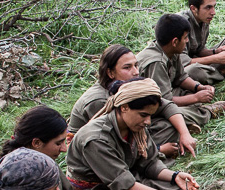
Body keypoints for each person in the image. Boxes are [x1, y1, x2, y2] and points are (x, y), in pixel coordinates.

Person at [66, 79, 200, 190]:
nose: (148, 121)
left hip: (128, 178)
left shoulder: (135, 127)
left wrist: (174, 176)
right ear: (124, 107)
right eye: (143, 115)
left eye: (150, 115)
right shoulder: (95, 139)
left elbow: (149, 162)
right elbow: (125, 185)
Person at [68, 45, 197, 158]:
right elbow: (109, 140)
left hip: (128, 129)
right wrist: (158, 150)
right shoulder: (99, 101)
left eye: (136, 65)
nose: (136, 72)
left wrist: (184, 133)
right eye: (127, 68)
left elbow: (166, 105)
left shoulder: (132, 87)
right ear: (110, 73)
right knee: (168, 126)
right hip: (96, 147)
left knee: (172, 122)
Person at [137, 14, 225, 148]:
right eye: (185, 37)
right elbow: (164, 102)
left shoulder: (170, 51)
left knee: (186, 95)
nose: (187, 41)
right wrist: (195, 98)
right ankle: (207, 112)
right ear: (175, 41)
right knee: (169, 122)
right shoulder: (156, 62)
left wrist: (198, 87)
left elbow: (180, 77)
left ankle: (190, 118)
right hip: (151, 106)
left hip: (166, 95)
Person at [178, 0, 225, 85]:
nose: (213, 12)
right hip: (184, 68)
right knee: (192, 71)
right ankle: (220, 73)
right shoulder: (180, 24)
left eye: (214, 6)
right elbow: (183, 63)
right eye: (208, 7)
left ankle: (216, 67)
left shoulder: (204, 19)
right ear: (193, 8)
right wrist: (216, 58)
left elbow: (199, 50)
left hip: (197, 60)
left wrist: (216, 51)